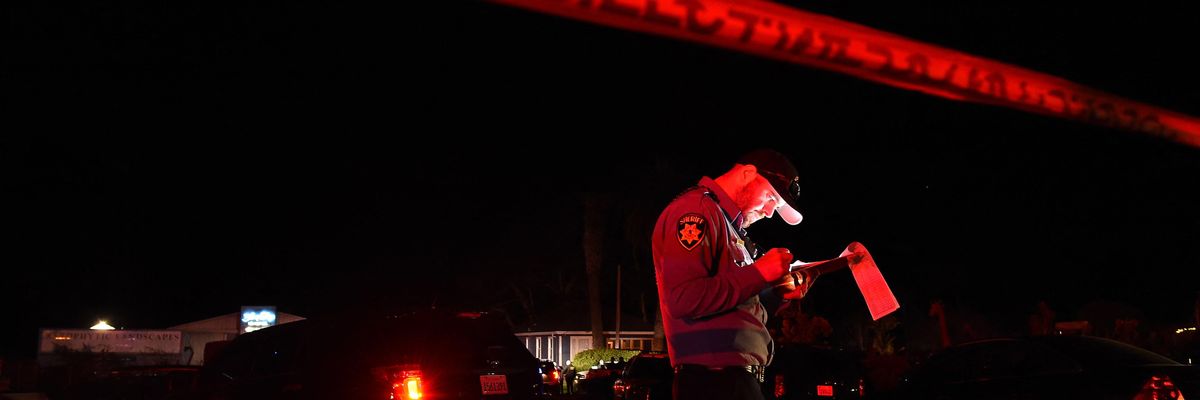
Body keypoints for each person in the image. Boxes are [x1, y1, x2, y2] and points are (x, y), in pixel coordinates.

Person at [652, 148, 815, 400]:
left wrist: (777, 292)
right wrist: (759, 273)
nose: (770, 212)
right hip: (714, 381)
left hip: (729, 380)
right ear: (748, 173)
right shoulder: (696, 211)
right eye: (771, 197)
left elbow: (734, 305)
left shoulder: (725, 223)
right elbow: (683, 298)